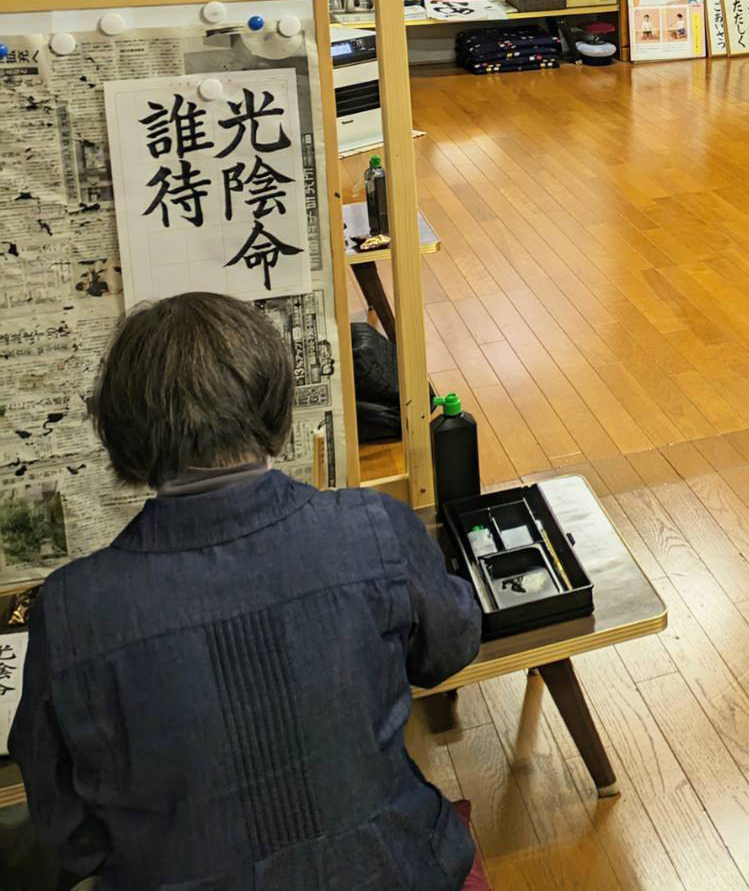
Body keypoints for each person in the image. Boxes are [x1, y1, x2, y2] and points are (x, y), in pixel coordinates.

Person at [12, 293, 482, 889]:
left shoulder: (72, 608)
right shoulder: (369, 528)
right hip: (393, 869)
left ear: (124, 429)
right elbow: (451, 646)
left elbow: (67, 827)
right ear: (274, 404)